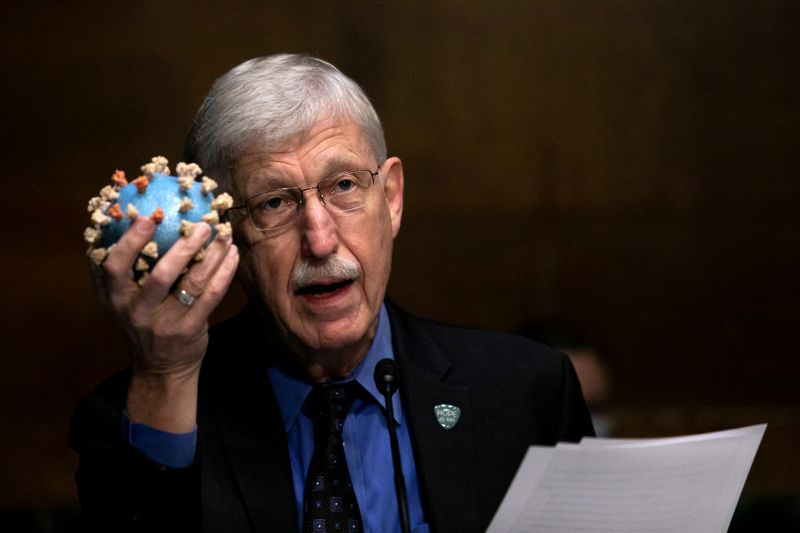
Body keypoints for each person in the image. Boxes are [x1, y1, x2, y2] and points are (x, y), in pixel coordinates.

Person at [69, 54, 594, 533]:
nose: (320, 240)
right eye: (274, 203)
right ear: (225, 232)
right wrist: (168, 375)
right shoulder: (137, 414)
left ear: (390, 199)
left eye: (343, 185)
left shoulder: (527, 393)